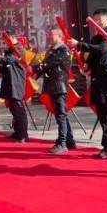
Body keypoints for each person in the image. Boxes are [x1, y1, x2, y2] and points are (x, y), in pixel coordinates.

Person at [68, 9, 107, 163]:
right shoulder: (95, 38)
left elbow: (102, 49)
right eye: (94, 20)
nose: (96, 23)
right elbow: (93, 56)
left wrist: (79, 44)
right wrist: (87, 65)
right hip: (97, 81)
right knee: (103, 116)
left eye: (99, 20)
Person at [34, 26, 76, 154]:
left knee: (61, 115)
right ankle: (69, 140)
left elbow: (49, 63)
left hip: (59, 86)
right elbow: (45, 64)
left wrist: (35, 70)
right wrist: (36, 72)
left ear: (59, 36)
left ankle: (62, 143)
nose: (49, 37)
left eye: (51, 35)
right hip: (54, 86)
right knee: (61, 114)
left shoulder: (63, 49)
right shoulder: (52, 50)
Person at [0, 29, 29, 142]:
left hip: (16, 82)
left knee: (18, 109)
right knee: (12, 108)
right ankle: (17, 132)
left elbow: (8, 60)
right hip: (9, 82)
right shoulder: (10, 49)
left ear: (13, 37)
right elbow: (7, 65)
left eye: (6, 39)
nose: (5, 41)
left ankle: (23, 135)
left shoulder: (18, 49)